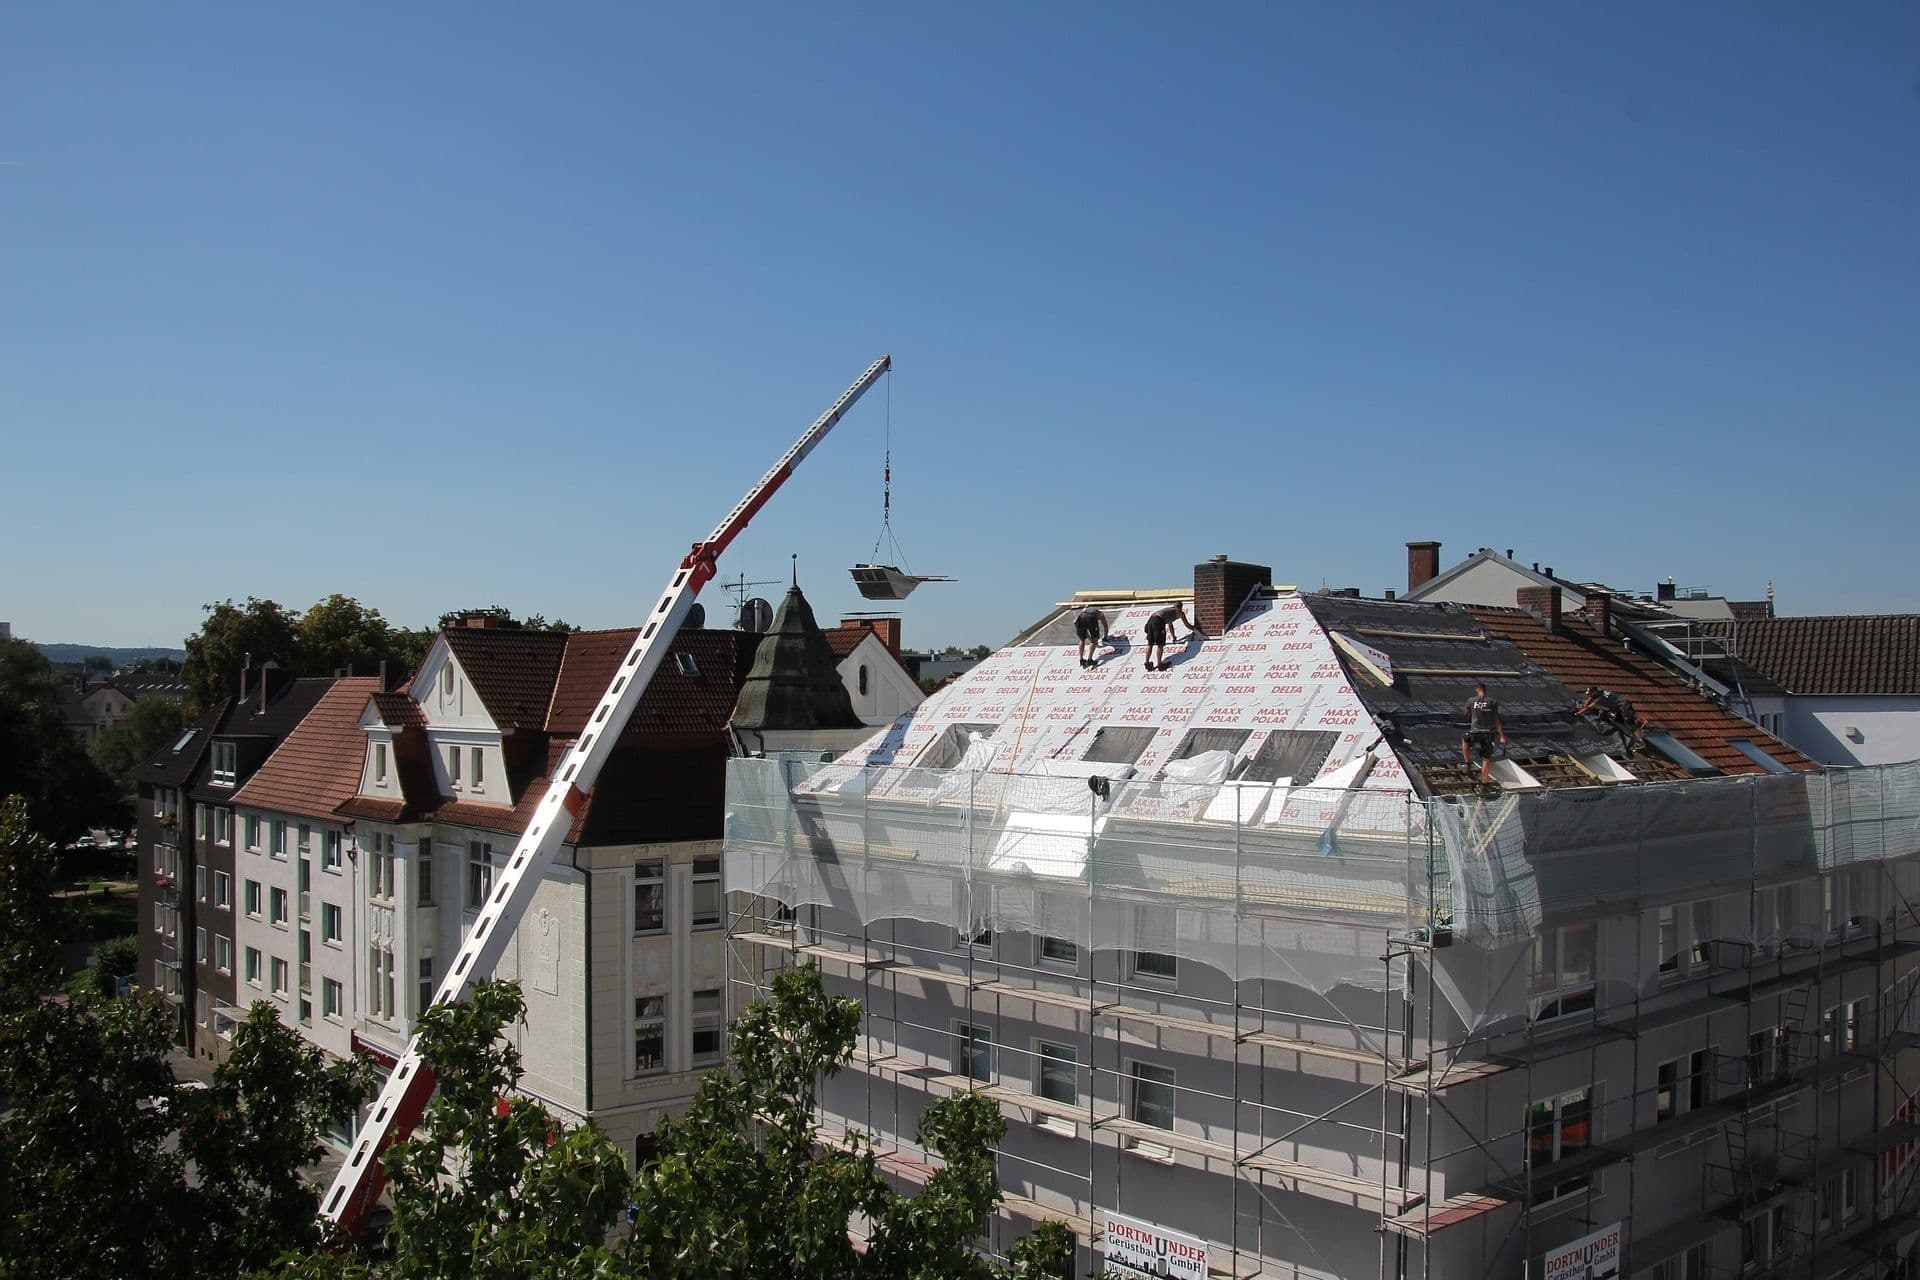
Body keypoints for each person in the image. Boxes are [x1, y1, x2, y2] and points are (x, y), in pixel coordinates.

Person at [1460, 682, 1507, 784]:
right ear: (1485, 690)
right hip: (1488, 734)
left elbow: (1466, 713)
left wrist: (1472, 710)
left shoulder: (1472, 700)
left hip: (1475, 731)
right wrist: (1502, 737)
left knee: (1465, 739)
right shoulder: (1492, 702)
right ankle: (1484, 785)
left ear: (1478, 689)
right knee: (1486, 759)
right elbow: (1497, 720)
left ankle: (1467, 763)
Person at [1575, 685, 1645, 752]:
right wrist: (1584, 705)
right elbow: (1590, 698)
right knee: (1617, 722)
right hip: (1619, 708)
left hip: (1625, 708)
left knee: (1630, 726)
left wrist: (1578, 713)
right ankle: (1626, 734)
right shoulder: (1600, 691)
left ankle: (1639, 742)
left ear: (1595, 692)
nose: (1589, 695)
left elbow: (1589, 707)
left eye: (1590, 693)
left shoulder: (1601, 698)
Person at [1141, 602, 1196, 672]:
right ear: (1180, 607)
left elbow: (1170, 625)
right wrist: (1196, 630)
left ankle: (1147, 663)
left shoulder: (1169, 611)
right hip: (1158, 621)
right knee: (1160, 644)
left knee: (1150, 644)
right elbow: (1187, 624)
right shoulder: (1179, 612)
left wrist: (1173, 637)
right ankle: (1160, 664)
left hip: (1150, 620)